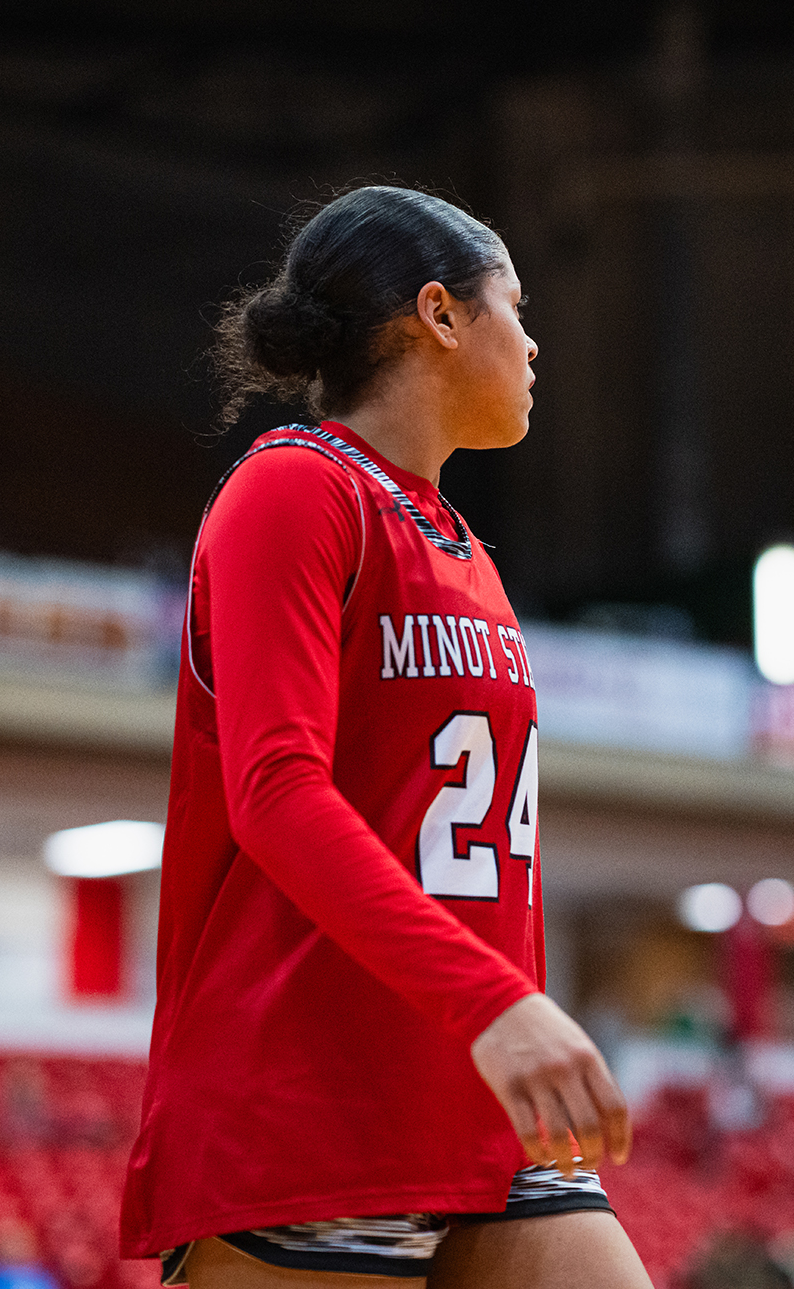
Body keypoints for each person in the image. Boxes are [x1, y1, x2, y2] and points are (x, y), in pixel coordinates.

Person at [119, 186, 649, 1289]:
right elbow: (275, 791)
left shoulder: (459, 540)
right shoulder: (292, 489)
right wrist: (495, 1000)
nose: (535, 339)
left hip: (477, 1099)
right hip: (309, 1097)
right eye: (515, 305)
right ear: (438, 316)